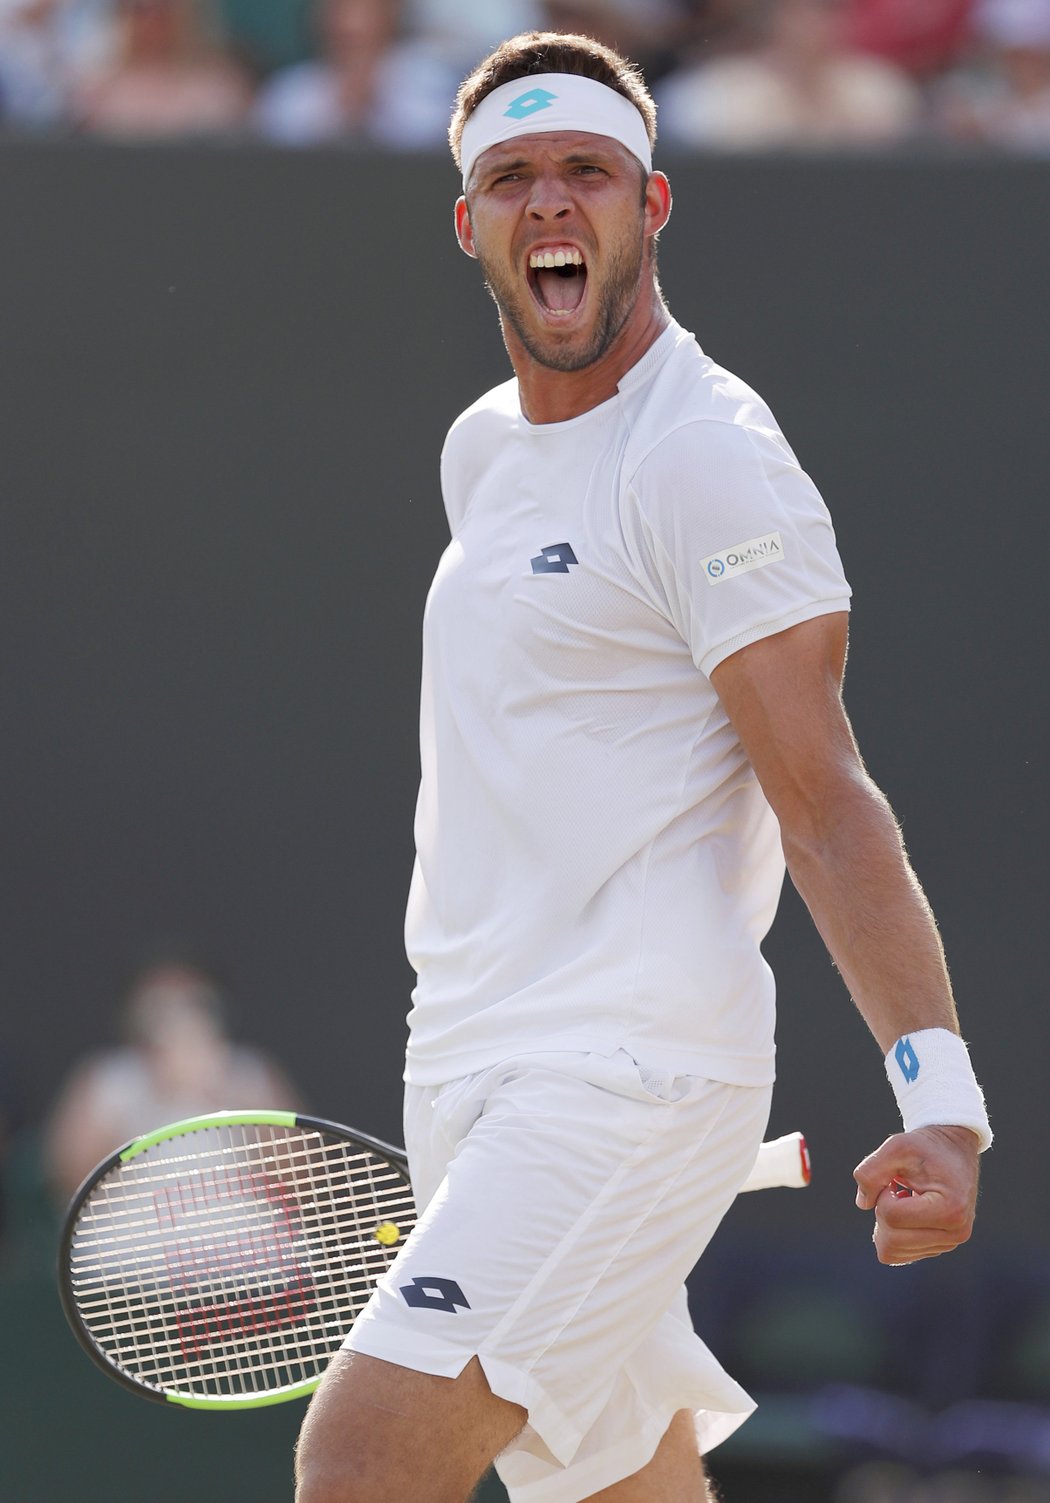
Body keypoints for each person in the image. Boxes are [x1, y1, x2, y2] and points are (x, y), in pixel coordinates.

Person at [294, 29, 992, 1503]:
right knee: (621, 1486)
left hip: (628, 1074)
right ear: (470, 223)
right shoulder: (480, 450)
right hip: (470, 1065)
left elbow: (828, 799)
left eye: (587, 173)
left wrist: (939, 1092)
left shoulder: (706, 458)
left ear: (650, 206)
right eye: (514, 177)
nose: (553, 204)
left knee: (361, 1460)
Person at [44, 955, 301, 1200]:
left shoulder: (250, 1072)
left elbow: (302, 1174)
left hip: (247, 1239)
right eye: (160, 1005)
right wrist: (151, 1098)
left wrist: (227, 1099)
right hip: (138, 1240)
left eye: (193, 1002)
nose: (177, 1018)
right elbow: (67, 1179)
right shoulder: (107, 1077)